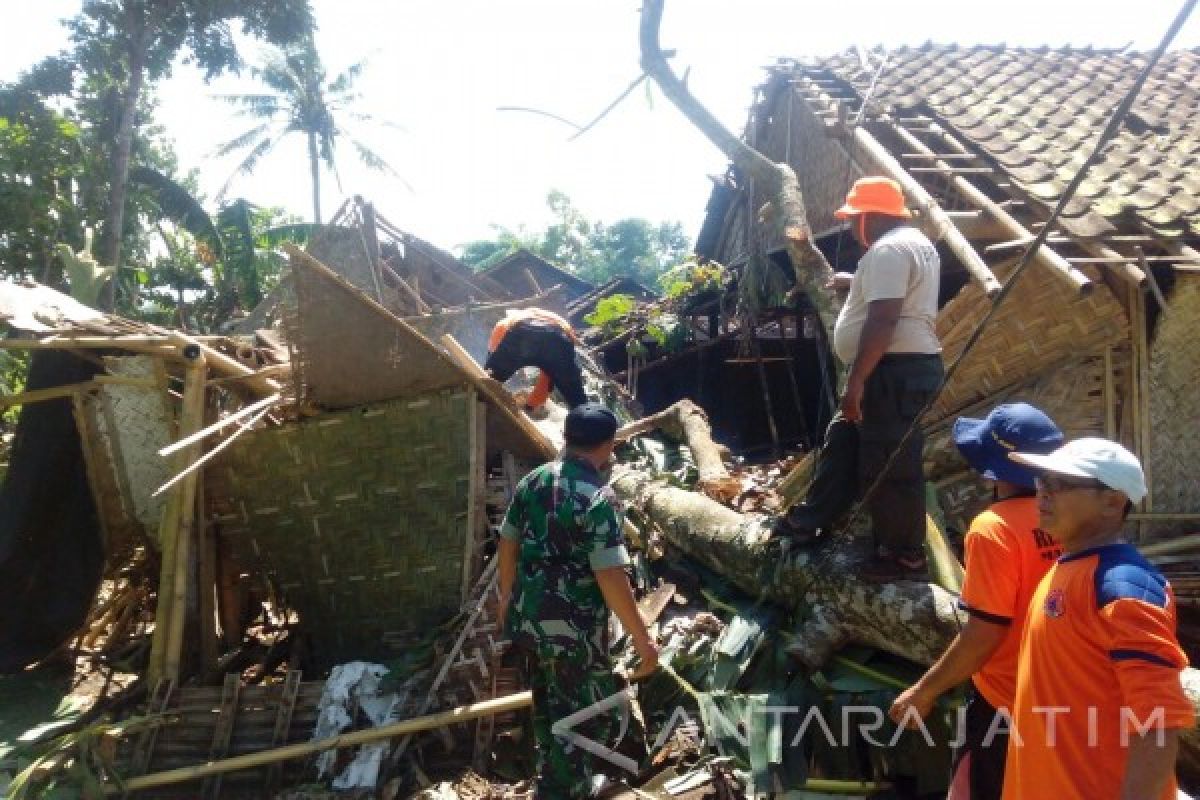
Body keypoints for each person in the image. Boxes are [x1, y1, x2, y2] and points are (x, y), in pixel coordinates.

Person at [887, 403, 1064, 800]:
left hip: (1004, 702)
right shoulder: (1072, 519)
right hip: (1064, 696)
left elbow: (984, 632)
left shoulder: (993, 529)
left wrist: (924, 691)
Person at [1000, 438, 1193, 800]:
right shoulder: (1067, 569)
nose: (1043, 494)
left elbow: (1158, 722)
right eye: (1042, 481)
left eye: (1060, 484)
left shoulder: (1123, 586)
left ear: (1112, 502)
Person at [775, 176, 943, 582]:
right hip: (892, 369)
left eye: (854, 219)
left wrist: (855, 384)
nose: (852, 227)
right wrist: (858, 282)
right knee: (843, 442)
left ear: (871, 215)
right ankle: (812, 518)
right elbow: (900, 296)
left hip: (892, 371)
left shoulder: (888, 251)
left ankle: (902, 555)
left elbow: (884, 321)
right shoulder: (912, 244)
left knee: (888, 465)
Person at [496, 402, 659, 798]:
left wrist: (506, 599)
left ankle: (553, 779)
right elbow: (611, 578)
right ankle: (565, 790)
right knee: (582, 718)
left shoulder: (532, 481)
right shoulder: (598, 498)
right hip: (575, 631)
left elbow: (508, 543)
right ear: (607, 446)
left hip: (530, 619)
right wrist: (642, 638)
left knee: (548, 702)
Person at [484, 307, 588, 412]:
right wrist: (530, 406)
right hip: (559, 338)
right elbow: (546, 382)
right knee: (577, 399)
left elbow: (493, 358)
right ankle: (588, 418)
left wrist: (493, 374)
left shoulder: (504, 324)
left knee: (489, 381)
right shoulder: (549, 318)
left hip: (522, 330)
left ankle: (481, 398)